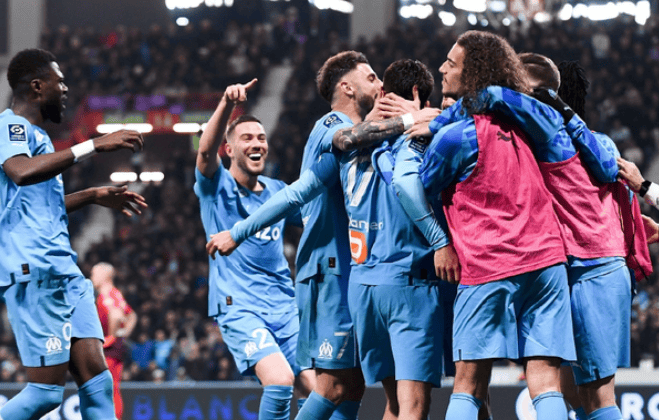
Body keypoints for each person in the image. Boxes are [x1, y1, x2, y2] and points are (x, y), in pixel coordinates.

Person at [206, 51, 420, 420]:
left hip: (357, 272)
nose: (380, 84)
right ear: (346, 87)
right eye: (371, 77)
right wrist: (413, 119)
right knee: (332, 386)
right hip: (329, 272)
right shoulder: (331, 124)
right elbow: (301, 189)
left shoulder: (372, 144)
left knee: (352, 386)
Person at [392, 31, 576, 420]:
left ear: (473, 71)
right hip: (547, 262)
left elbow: (420, 185)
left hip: (489, 264)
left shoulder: (454, 137)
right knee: (546, 381)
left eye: (451, 63)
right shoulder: (528, 124)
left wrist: (424, 129)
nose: (442, 68)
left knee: (468, 383)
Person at [0, 48, 146, 420]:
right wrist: (93, 145)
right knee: (45, 394)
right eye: (59, 81)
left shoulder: (38, 137)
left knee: (98, 384)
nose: (65, 89)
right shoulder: (10, 126)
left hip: (65, 273)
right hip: (35, 272)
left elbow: (41, 207)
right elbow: (20, 171)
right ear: (37, 86)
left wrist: (93, 195)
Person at [335, 58, 449, 420]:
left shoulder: (357, 142)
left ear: (384, 92)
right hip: (408, 286)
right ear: (417, 93)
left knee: (395, 406)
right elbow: (407, 184)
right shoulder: (421, 141)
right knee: (413, 407)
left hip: (363, 287)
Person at [193, 78, 314, 420]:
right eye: (246, 138)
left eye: (261, 137)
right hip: (241, 307)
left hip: (285, 306)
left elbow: (314, 221)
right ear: (229, 150)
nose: (256, 143)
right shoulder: (216, 187)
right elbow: (205, 153)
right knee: (280, 380)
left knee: (319, 390)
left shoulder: (278, 191)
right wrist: (227, 104)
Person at [90, 263, 137, 420]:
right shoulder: (116, 293)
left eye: (94, 274)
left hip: (108, 350)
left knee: (106, 389)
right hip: (115, 349)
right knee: (113, 387)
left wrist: (110, 338)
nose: (91, 277)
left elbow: (116, 316)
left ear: (105, 275)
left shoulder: (107, 294)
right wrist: (124, 334)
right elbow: (132, 316)